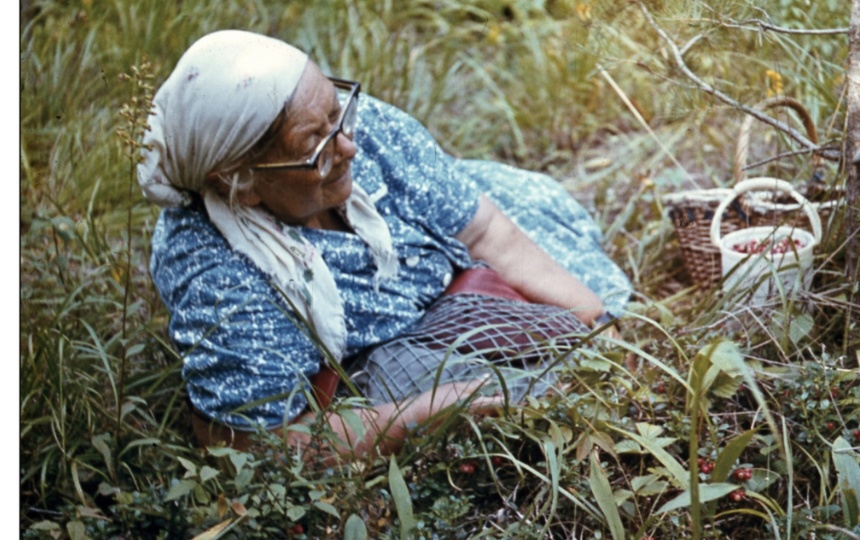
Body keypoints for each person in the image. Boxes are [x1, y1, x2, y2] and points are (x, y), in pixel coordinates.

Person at [139, 30, 632, 459]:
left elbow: (487, 233)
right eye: (315, 145)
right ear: (240, 182)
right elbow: (248, 444)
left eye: (338, 109)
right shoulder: (223, 276)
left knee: (570, 275)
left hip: (457, 274)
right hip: (396, 350)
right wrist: (425, 414)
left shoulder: (360, 132)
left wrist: (599, 324)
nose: (349, 145)